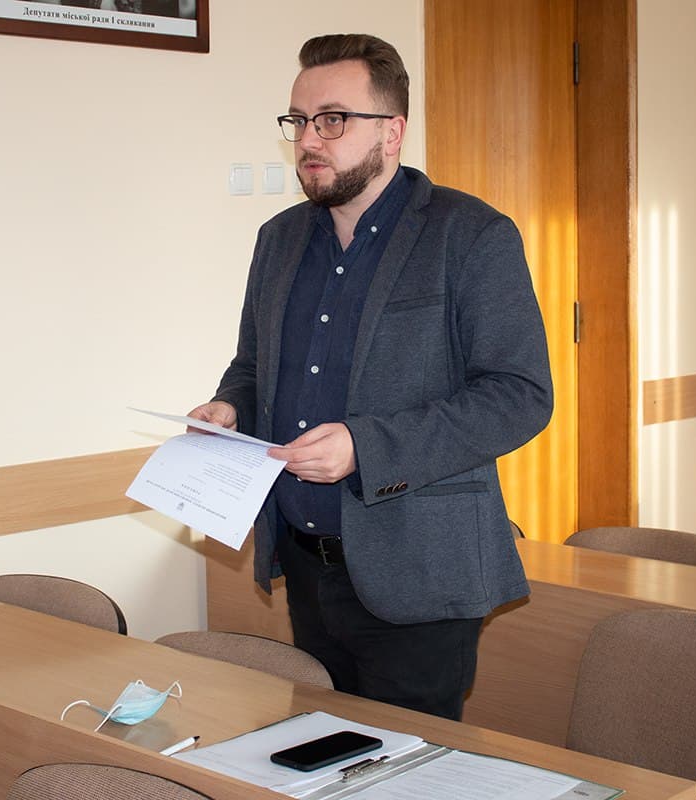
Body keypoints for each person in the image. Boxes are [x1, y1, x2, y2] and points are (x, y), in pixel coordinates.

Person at [188, 33, 552, 720]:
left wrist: (365, 446)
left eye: (332, 120)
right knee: (324, 755)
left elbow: (520, 396)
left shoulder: (470, 235)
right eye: (299, 121)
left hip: (421, 569)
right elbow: (254, 365)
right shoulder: (279, 239)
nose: (308, 141)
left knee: (410, 767)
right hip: (305, 563)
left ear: (393, 132)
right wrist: (230, 406)